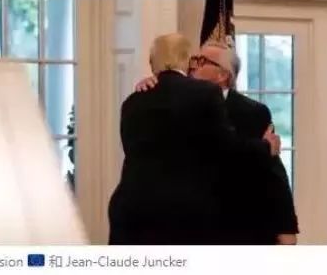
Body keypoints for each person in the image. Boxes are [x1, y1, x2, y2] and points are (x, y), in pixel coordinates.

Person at [108, 33, 281, 245]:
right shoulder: (205, 93)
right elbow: (226, 147)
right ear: (187, 60)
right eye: (197, 59)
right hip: (181, 216)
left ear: (152, 63)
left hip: (130, 211)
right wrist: (266, 146)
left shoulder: (132, 101)